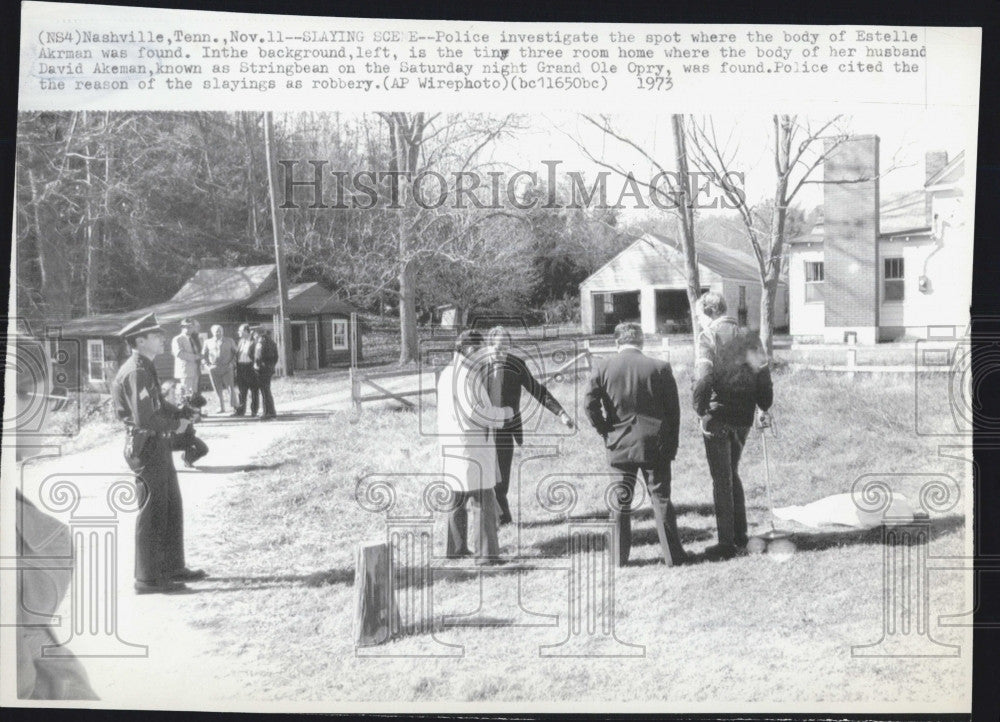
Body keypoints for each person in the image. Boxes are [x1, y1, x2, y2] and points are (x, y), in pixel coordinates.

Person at [111, 313, 207, 594]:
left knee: (170, 506)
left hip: (157, 444)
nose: (162, 340)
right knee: (152, 512)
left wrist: (180, 412)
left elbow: (157, 406)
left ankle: (171, 567)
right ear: (139, 341)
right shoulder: (136, 370)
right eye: (156, 336)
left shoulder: (145, 366)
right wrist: (178, 424)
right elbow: (145, 419)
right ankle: (148, 578)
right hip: (146, 445)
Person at [584, 321, 686, 567]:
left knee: (620, 501)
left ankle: (618, 557)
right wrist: (672, 444)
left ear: (617, 342)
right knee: (661, 498)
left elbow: (589, 404)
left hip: (619, 441)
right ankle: (674, 556)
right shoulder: (660, 367)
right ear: (641, 341)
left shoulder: (603, 367)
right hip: (656, 442)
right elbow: (674, 412)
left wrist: (604, 430)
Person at [693, 291, 774, 561]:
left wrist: (700, 409)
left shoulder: (709, 338)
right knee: (733, 473)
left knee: (721, 479)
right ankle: (739, 535)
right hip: (743, 417)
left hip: (718, 416)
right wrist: (764, 406)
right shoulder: (749, 337)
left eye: (699, 315)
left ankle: (726, 543)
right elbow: (763, 378)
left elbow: (703, 379)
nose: (699, 321)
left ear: (708, 312)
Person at [484, 326, 574, 525]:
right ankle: (493, 519)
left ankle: (503, 519)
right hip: (481, 430)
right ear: (489, 346)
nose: (502, 353)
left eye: (506, 348)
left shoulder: (516, 364)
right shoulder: (478, 366)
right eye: (498, 348)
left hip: (505, 429)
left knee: (502, 478)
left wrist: (561, 413)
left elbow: (537, 390)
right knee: (484, 476)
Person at [437, 330, 513, 564]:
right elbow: (474, 412)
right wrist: (504, 413)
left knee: (457, 499)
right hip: (471, 446)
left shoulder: (448, 372)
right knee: (484, 500)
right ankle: (487, 555)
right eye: (480, 350)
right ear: (470, 350)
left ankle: (456, 548)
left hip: (455, 444)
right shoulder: (465, 376)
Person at [202, 324, 238, 413]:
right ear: (212, 332)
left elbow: (236, 353)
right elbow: (203, 355)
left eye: (220, 330)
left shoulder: (229, 341)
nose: (219, 333)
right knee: (217, 388)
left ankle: (234, 407)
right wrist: (207, 366)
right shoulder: (208, 342)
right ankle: (221, 407)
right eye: (216, 331)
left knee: (230, 387)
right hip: (214, 368)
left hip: (227, 367)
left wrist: (232, 363)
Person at [171, 318, 203, 400]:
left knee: (195, 393)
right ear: (182, 327)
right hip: (185, 371)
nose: (189, 329)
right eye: (187, 327)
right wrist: (196, 357)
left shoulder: (194, 339)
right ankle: (187, 412)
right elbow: (179, 354)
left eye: (191, 327)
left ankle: (196, 412)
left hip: (196, 370)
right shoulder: (177, 339)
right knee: (186, 393)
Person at [233, 323, 259, 417]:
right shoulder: (240, 341)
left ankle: (254, 411)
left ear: (246, 331)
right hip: (241, 368)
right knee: (241, 391)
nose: (238, 332)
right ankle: (241, 411)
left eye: (240, 331)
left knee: (254, 391)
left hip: (251, 368)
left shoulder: (254, 341)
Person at [253, 327, 279, 420]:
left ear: (258, 334)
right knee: (267, 390)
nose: (254, 336)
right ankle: (271, 411)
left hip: (261, 369)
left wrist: (257, 365)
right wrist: (271, 366)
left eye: (254, 334)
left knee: (264, 391)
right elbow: (276, 357)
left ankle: (267, 412)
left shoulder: (260, 342)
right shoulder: (272, 342)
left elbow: (258, 356)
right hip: (269, 368)